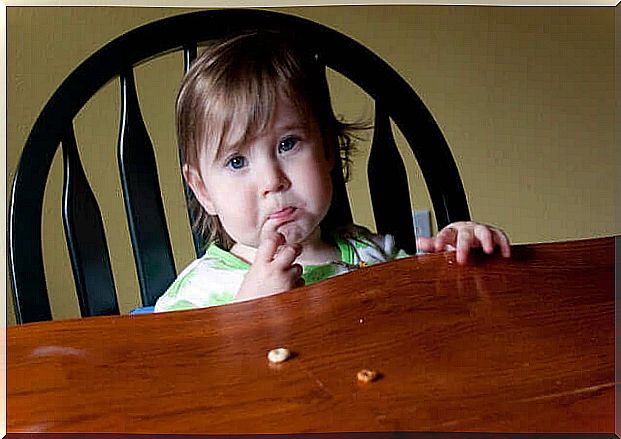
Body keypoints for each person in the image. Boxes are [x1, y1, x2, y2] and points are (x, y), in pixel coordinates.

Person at [154, 31, 510, 313]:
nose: (271, 180)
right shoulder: (199, 293)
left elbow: (436, 312)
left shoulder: (373, 256)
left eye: (288, 144)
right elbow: (173, 377)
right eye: (237, 162)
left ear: (326, 148)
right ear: (202, 190)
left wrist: (458, 260)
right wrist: (247, 315)